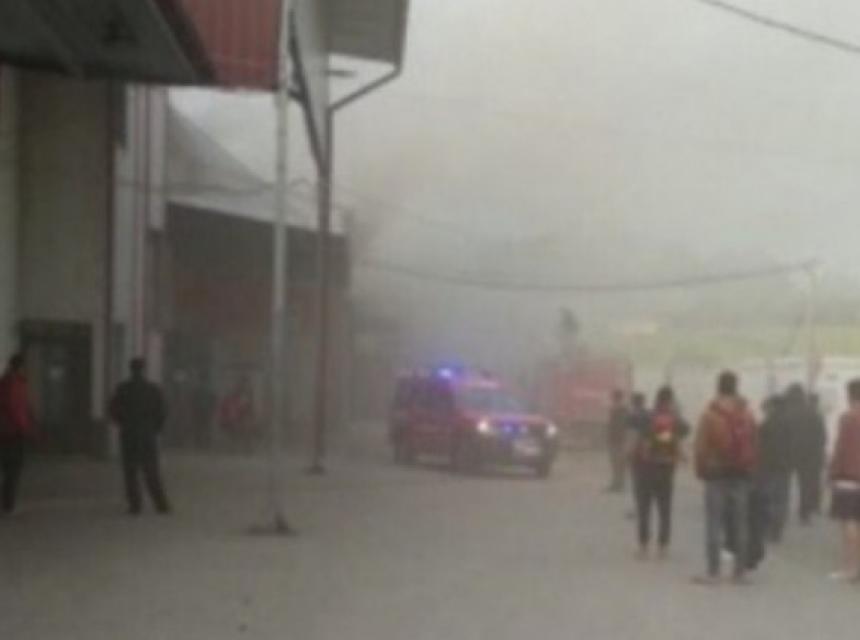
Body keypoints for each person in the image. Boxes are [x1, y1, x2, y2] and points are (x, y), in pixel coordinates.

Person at [694, 371, 758, 585]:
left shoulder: (710, 414)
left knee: (714, 522)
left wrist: (701, 470)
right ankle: (739, 572)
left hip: (716, 474)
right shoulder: (747, 413)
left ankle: (713, 572)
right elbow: (755, 442)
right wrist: (751, 468)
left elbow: (701, 447)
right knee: (741, 523)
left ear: (718, 387)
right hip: (741, 474)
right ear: (736, 387)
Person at [633, 386, 689, 560]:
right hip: (666, 468)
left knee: (644, 509)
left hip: (646, 469)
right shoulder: (674, 419)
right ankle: (663, 546)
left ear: (656, 399)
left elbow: (636, 433)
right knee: (665, 510)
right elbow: (686, 429)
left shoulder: (646, 417)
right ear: (670, 401)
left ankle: (643, 545)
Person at [110, 358, 171, 515]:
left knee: (130, 472)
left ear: (131, 369)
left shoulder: (123, 389)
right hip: (147, 434)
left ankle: (135, 505)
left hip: (129, 434)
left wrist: (123, 423)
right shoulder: (153, 390)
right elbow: (162, 412)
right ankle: (161, 504)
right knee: (151, 470)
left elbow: (113, 411)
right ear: (144, 370)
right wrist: (155, 428)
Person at [827, 379, 860, 582]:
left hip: (848, 477)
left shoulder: (848, 418)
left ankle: (851, 568)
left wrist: (832, 473)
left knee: (849, 522)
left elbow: (840, 448)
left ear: (850, 396)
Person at [786, 385, 827, 524]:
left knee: (783, 483)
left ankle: (780, 511)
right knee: (806, 485)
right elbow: (822, 436)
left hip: (790, 454)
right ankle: (805, 513)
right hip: (810, 456)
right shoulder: (813, 413)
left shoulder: (788, 413)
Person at [0, 354, 35, 514]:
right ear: (19, 367)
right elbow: (15, 408)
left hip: (6, 431)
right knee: (13, 469)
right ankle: (8, 504)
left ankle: (7, 502)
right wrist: (25, 428)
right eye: (24, 367)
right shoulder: (14, 383)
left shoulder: (7, 381)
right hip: (13, 432)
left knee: (9, 468)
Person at [758, 394, 792, 542]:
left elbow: (759, 446)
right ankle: (777, 530)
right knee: (781, 499)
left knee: (767, 498)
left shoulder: (767, 424)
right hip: (784, 467)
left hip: (767, 467)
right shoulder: (789, 424)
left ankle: (768, 528)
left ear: (773, 407)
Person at [606, 390, 629, 493]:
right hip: (619, 439)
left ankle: (618, 484)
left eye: (614, 397)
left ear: (616, 398)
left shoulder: (619, 410)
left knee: (617, 463)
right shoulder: (622, 409)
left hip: (617, 439)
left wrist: (611, 436)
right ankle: (618, 483)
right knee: (618, 463)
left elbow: (616, 425)